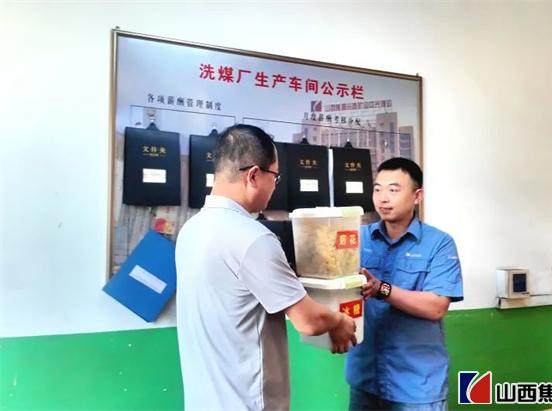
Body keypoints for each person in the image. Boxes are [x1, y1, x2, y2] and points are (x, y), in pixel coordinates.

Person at [176, 124, 357, 411]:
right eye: (275, 176)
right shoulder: (253, 238)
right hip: (247, 403)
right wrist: (340, 321)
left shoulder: (191, 229)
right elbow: (308, 322)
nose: (275, 186)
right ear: (253, 175)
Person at [345, 157, 463, 411]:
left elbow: (436, 306)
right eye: (378, 189)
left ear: (417, 196)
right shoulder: (358, 238)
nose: (383, 198)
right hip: (365, 379)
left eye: (393, 190)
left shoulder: (439, 244)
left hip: (416, 384)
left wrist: (382, 289)